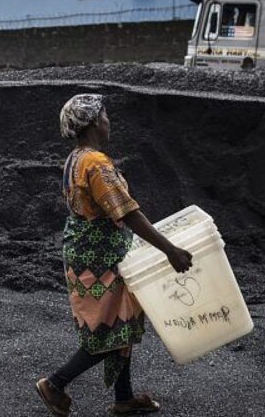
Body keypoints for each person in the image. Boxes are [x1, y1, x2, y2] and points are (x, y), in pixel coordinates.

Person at [35, 94, 194, 416]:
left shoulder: (75, 158)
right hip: (100, 256)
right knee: (108, 329)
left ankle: (124, 398)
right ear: (94, 122)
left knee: (119, 320)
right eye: (105, 115)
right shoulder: (95, 163)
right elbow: (127, 213)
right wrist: (170, 250)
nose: (109, 121)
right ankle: (55, 384)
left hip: (87, 251)